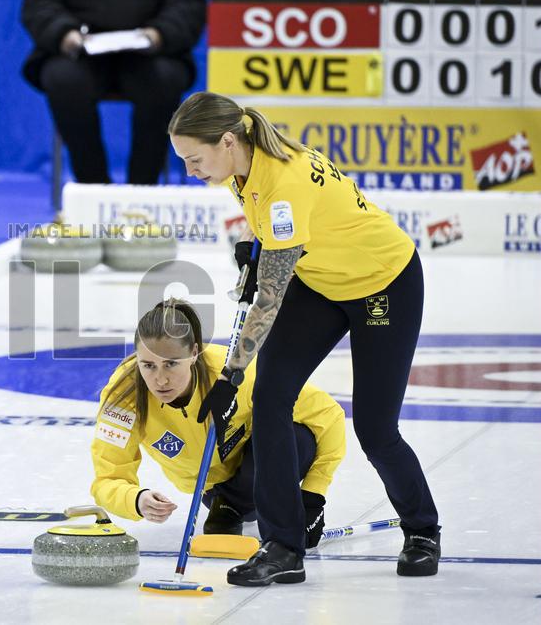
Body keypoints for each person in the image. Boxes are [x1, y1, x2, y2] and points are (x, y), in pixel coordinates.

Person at [168, 92, 441, 586]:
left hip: (383, 284)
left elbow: (268, 302)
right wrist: (257, 249)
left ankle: (422, 531)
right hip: (320, 281)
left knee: (376, 430)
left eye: (194, 159)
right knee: (271, 397)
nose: (190, 170)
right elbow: (282, 240)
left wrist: (231, 375)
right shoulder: (239, 166)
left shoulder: (283, 185)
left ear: (227, 141)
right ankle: (282, 546)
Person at [91, 299, 345, 547]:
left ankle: (235, 508)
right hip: (210, 489)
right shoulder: (123, 396)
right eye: (148, 365)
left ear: (193, 353)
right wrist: (135, 499)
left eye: (170, 364)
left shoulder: (236, 373)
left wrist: (313, 495)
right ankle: (226, 506)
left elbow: (329, 416)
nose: (160, 380)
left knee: (298, 438)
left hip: (263, 467)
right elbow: (107, 479)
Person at [20, 0, 206, 186]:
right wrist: (64, 32)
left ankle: (143, 190)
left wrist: (160, 33)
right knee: (62, 79)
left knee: (164, 80)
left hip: (150, 51)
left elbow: (188, 1)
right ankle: (93, 187)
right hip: (81, 51)